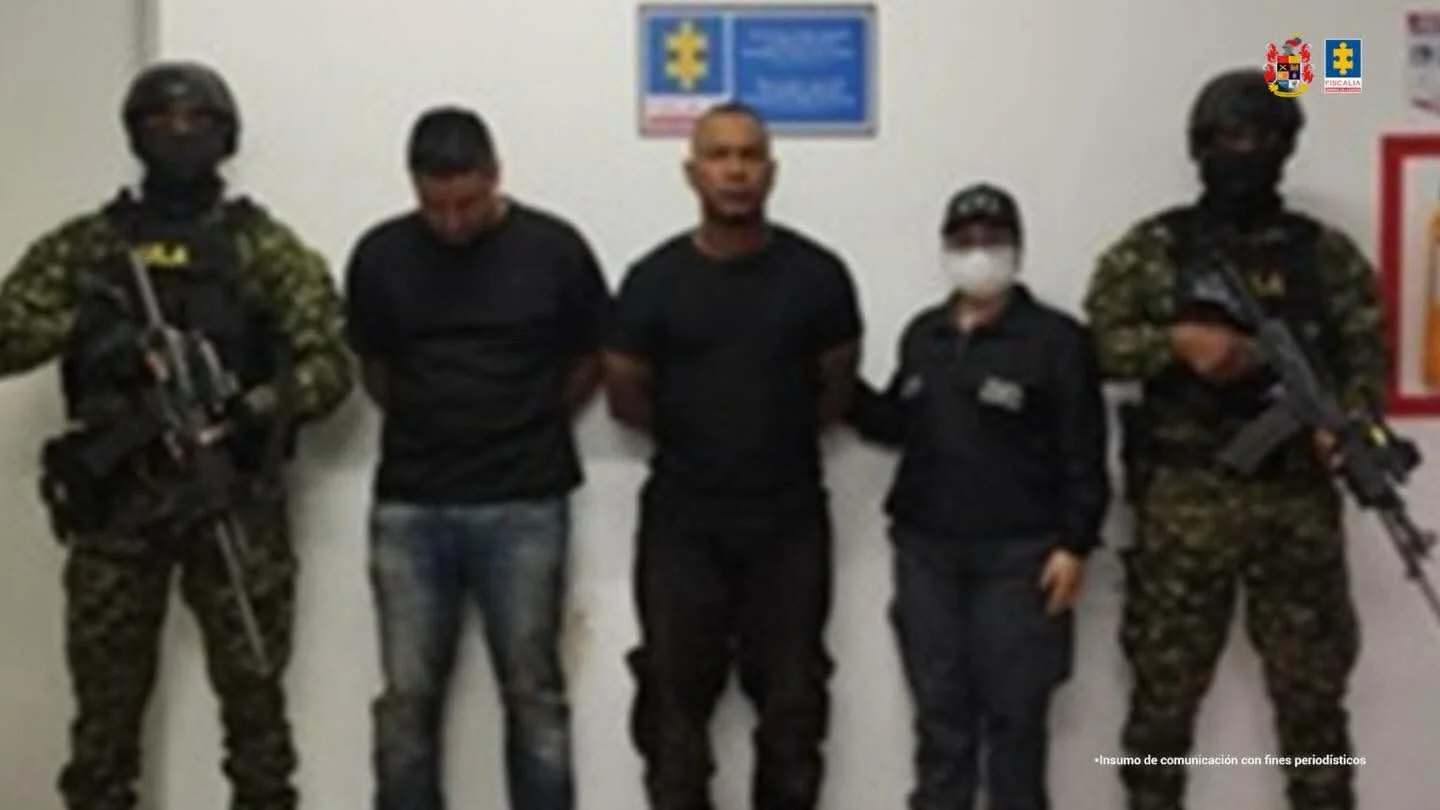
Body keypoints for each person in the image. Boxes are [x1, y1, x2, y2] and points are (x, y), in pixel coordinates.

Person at [0, 61, 353, 810]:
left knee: (257, 723)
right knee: (103, 728)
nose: (180, 135)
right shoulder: (90, 247)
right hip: (116, 509)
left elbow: (329, 367)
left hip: (231, 502)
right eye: (162, 123)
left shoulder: (265, 249)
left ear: (227, 137)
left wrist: (251, 409)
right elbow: (6, 337)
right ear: (135, 135)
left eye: (197, 123)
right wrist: (94, 330)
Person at [1082, 67, 1384, 810]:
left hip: (1297, 504)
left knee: (1315, 706)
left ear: (1287, 147)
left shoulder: (1327, 256)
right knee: (1161, 705)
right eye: (1231, 137)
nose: (1247, 152)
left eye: (1264, 138)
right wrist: (1176, 345)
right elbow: (1093, 346)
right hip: (1185, 504)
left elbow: (1365, 362)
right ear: (1202, 145)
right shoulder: (1154, 248)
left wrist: (1346, 426)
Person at [343, 105, 610, 810]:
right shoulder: (381, 255)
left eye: (466, 203)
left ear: (496, 176)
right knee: (406, 699)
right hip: (411, 502)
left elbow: (592, 356)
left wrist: (530, 418)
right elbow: (375, 367)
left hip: (525, 500)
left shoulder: (554, 249)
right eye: (435, 206)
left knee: (534, 695)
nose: (452, 222)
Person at [602, 101, 863, 810]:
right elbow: (626, 396)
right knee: (671, 715)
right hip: (684, 523)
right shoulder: (654, 280)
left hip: (787, 521)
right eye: (719, 156)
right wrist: (705, 441)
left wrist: (761, 441)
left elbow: (835, 390)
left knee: (793, 712)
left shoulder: (817, 277)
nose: (736, 171)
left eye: (750, 156)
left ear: (771, 171)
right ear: (692, 173)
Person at [846, 183, 1110, 810]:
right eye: (964, 241)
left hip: (1021, 557)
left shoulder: (1056, 340)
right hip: (927, 552)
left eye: (993, 240)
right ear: (945, 250)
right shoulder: (925, 335)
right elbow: (898, 422)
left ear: (1018, 249)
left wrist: (1076, 544)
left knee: (1016, 719)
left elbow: (1085, 450)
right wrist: (833, 384)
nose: (979, 253)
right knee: (940, 717)